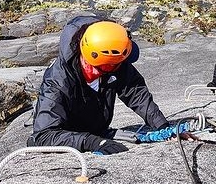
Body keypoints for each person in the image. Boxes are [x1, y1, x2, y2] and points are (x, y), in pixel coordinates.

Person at [28, 16, 171, 154]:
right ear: (88, 58)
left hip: (97, 130)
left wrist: (162, 127)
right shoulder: (58, 82)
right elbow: (43, 135)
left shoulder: (112, 56)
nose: (112, 69)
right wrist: (92, 142)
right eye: (106, 67)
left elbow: (135, 93)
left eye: (115, 65)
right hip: (67, 137)